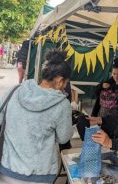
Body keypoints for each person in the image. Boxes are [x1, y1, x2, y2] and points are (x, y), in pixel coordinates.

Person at [0, 49, 73, 184]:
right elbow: (63, 138)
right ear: (59, 80)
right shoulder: (62, 104)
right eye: (66, 83)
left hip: (7, 170)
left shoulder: (14, 91)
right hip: (40, 176)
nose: (65, 87)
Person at [76, 58, 118, 140]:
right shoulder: (108, 81)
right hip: (103, 117)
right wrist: (101, 86)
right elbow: (96, 93)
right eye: (114, 74)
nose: (116, 76)